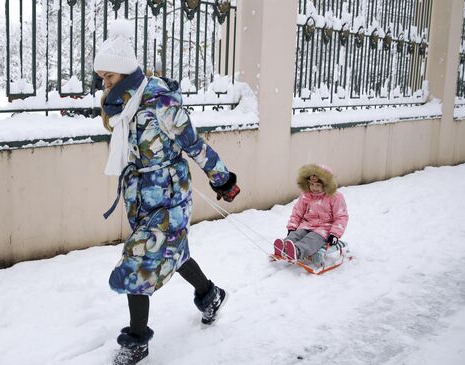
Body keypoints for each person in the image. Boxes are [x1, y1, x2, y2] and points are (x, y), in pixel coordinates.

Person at [94, 19, 241, 365]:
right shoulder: (122, 106)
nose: (104, 83)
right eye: (101, 77)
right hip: (141, 196)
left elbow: (192, 144)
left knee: (138, 263)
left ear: (123, 71)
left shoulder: (159, 99)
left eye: (108, 76)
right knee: (175, 254)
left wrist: (222, 179)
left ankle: (136, 342)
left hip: (171, 196)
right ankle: (210, 295)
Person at [274, 164, 348, 265]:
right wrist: (292, 227)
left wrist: (334, 234)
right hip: (307, 225)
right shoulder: (306, 195)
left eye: (318, 185)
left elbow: (341, 217)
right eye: (312, 184)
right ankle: (284, 246)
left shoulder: (335, 197)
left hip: (324, 229)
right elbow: (297, 212)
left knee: (311, 239)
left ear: (326, 185)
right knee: (296, 234)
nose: (314, 188)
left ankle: (297, 250)